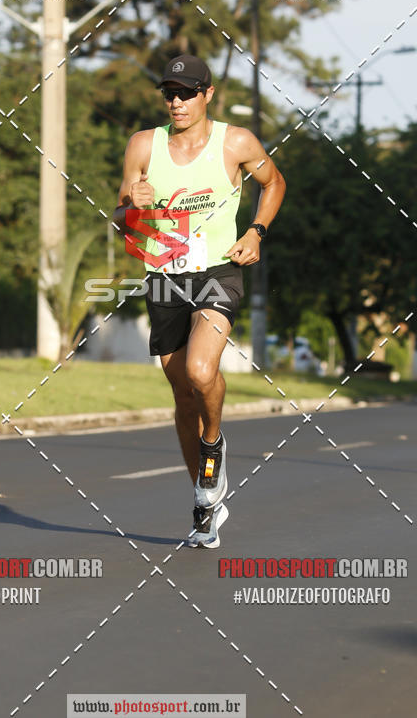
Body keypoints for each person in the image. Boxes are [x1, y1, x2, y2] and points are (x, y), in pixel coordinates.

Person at [113, 55, 286, 548]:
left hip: (217, 270)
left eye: (187, 92)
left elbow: (273, 183)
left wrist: (256, 232)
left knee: (200, 371)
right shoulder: (144, 145)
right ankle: (206, 501)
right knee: (181, 393)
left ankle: (214, 446)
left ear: (209, 94)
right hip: (163, 274)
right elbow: (122, 218)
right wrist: (132, 206)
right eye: (170, 92)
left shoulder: (236, 142)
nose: (177, 101)